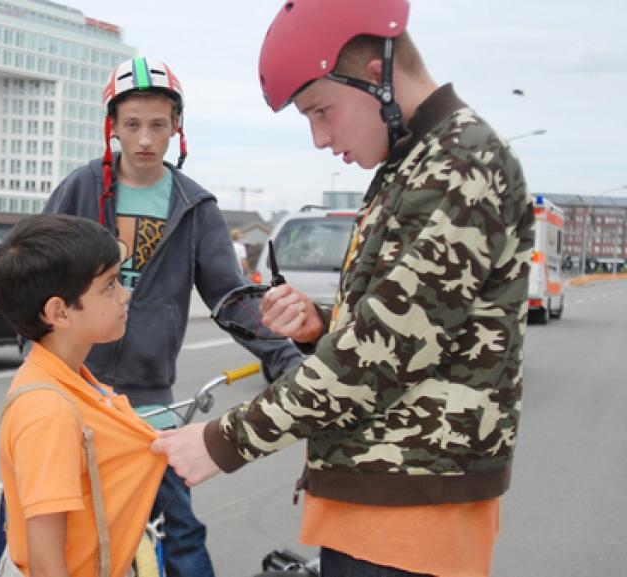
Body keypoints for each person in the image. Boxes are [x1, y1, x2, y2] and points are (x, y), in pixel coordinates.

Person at [152, 2, 534, 576]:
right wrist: (323, 325)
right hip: (384, 499)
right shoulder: (413, 161)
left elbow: (380, 355)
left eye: (321, 111)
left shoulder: (459, 162)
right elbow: (416, 329)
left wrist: (221, 441)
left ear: (377, 75)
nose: (320, 138)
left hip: (410, 513)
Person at [44, 56, 303, 577]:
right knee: (52, 519)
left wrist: (287, 358)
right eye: (133, 124)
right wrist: (33, 353)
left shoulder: (194, 205)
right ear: (112, 127)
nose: (144, 138)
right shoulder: (80, 189)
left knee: (178, 526)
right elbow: (36, 270)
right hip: (71, 387)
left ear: (175, 128)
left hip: (149, 397)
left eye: (158, 125)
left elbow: (230, 295)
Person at [0, 214, 167, 577]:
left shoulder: (71, 380)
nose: (125, 294)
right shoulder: (47, 411)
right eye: (109, 285)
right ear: (59, 311)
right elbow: (45, 563)